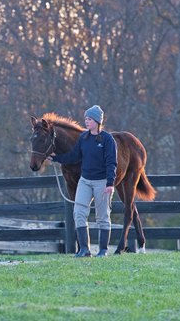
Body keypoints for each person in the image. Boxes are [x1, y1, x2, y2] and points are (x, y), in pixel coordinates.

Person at [49, 105, 117, 257]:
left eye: (90, 119)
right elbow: (73, 156)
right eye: (86, 119)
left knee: (103, 216)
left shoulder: (107, 139)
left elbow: (111, 162)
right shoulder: (83, 138)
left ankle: (103, 250)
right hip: (85, 181)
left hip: (102, 182)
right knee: (78, 213)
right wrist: (55, 158)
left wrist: (110, 183)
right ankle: (84, 250)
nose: (86, 122)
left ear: (97, 121)